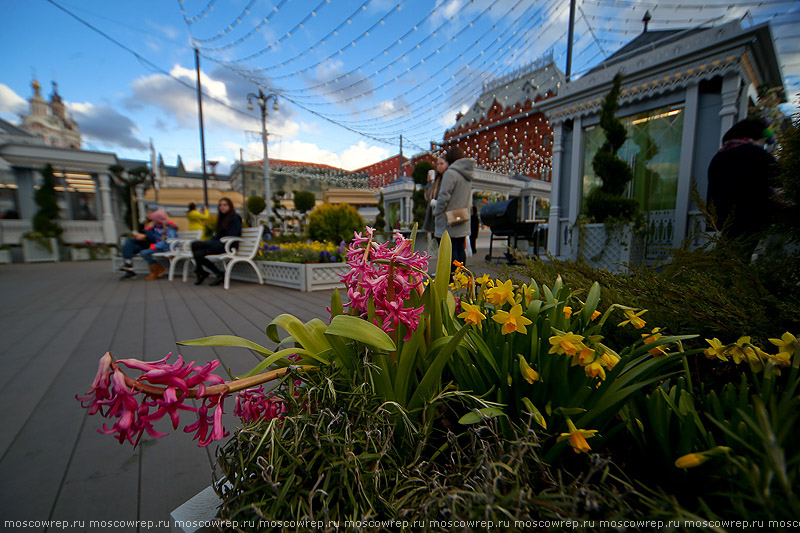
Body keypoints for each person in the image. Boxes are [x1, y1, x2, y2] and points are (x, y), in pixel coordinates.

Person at [707, 117, 779, 258]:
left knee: (727, 259)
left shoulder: (718, 158)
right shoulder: (757, 154)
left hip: (726, 221)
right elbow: (781, 182)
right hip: (753, 219)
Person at [432, 147, 474, 270]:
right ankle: (460, 279)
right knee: (460, 249)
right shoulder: (467, 175)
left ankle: (449, 280)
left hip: (448, 220)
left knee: (447, 251)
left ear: (449, 159)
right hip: (462, 217)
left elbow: (444, 197)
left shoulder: (450, 173)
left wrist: (437, 211)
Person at [191, 197, 242, 286]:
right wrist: (212, 241)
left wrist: (213, 242)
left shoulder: (235, 218)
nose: (222, 207)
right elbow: (216, 236)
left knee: (195, 244)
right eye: (220, 205)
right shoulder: (222, 219)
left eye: (225, 205)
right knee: (198, 253)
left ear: (230, 206)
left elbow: (232, 235)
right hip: (218, 245)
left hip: (227, 246)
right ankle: (218, 273)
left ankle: (200, 272)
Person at [118, 209, 178, 280]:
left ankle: (155, 270)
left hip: (165, 248)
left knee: (144, 253)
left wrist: (154, 246)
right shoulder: (157, 226)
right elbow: (152, 237)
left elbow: (169, 241)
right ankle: (128, 264)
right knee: (128, 243)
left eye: (154, 219)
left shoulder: (169, 227)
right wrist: (148, 229)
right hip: (157, 246)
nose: (152, 220)